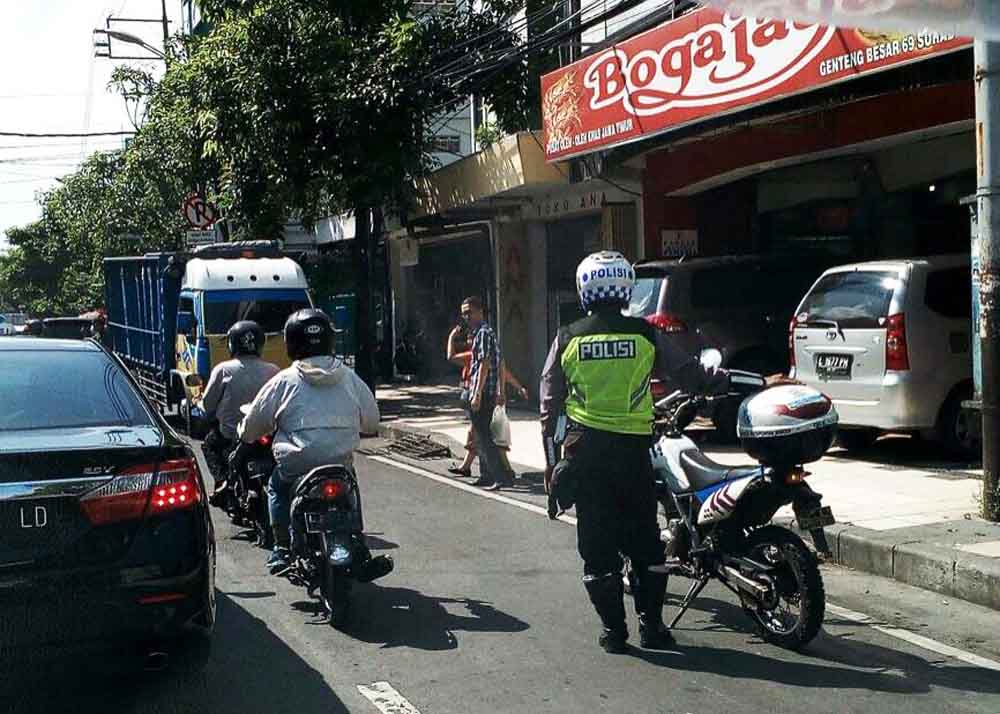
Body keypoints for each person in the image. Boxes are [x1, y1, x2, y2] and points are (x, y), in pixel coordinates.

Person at [539, 251, 736, 655]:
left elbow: (548, 403)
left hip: (585, 456)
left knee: (597, 551)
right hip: (633, 456)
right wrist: (722, 379)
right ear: (625, 288)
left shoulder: (568, 336)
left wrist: (550, 460)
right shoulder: (646, 334)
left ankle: (614, 632)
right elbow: (689, 374)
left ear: (584, 290)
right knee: (645, 546)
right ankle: (652, 626)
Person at [238, 308, 380, 574]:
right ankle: (359, 543)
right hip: (339, 462)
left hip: (296, 465)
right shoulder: (349, 377)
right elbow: (372, 421)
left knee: (277, 488)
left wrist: (245, 433)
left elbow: (253, 426)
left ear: (291, 341)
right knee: (351, 488)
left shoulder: (282, 380)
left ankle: (281, 548)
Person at [199, 320, 279, 504]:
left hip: (232, 434)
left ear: (231, 344)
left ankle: (222, 482)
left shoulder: (223, 369)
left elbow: (208, 404)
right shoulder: (273, 370)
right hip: (267, 432)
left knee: (209, 445)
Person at [446, 324, 530, 479]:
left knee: (487, 434)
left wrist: (513, 388)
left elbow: (503, 372)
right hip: (479, 398)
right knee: (480, 433)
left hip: (484, 398)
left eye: (473, 338)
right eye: (469, 338)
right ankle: (469, 467)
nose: (471, 340)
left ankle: (502, 470)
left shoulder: (480, 356)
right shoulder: (473, 355)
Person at [460, 296, 514, 491]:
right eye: (464, 313)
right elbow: (499, 362)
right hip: (488, 391)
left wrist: (477, 393)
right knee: (481, 434)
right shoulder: (485, 333)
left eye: (469, 312)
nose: (466, 317)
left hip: (483, 392)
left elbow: (484, 364)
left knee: (483, 436)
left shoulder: (483, 333)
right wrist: (501, 389)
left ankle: (500, 476)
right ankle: (486, 474)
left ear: (479, 311)